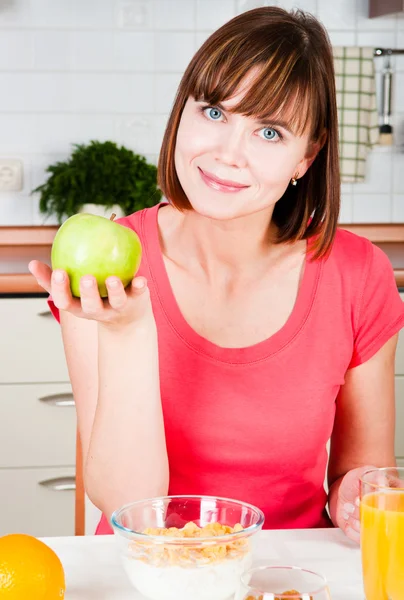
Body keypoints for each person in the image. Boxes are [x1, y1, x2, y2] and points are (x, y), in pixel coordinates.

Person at [29, 6, 404, 543]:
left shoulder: (358, 274)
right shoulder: (111, 270)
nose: (228, 154)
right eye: (213, 112)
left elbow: (363, 476)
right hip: (148, 572)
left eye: (270, 133)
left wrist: (354, 493)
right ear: (182, 111)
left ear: (308, 155)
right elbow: (128, 505)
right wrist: (125, 329)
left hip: (291, 576)